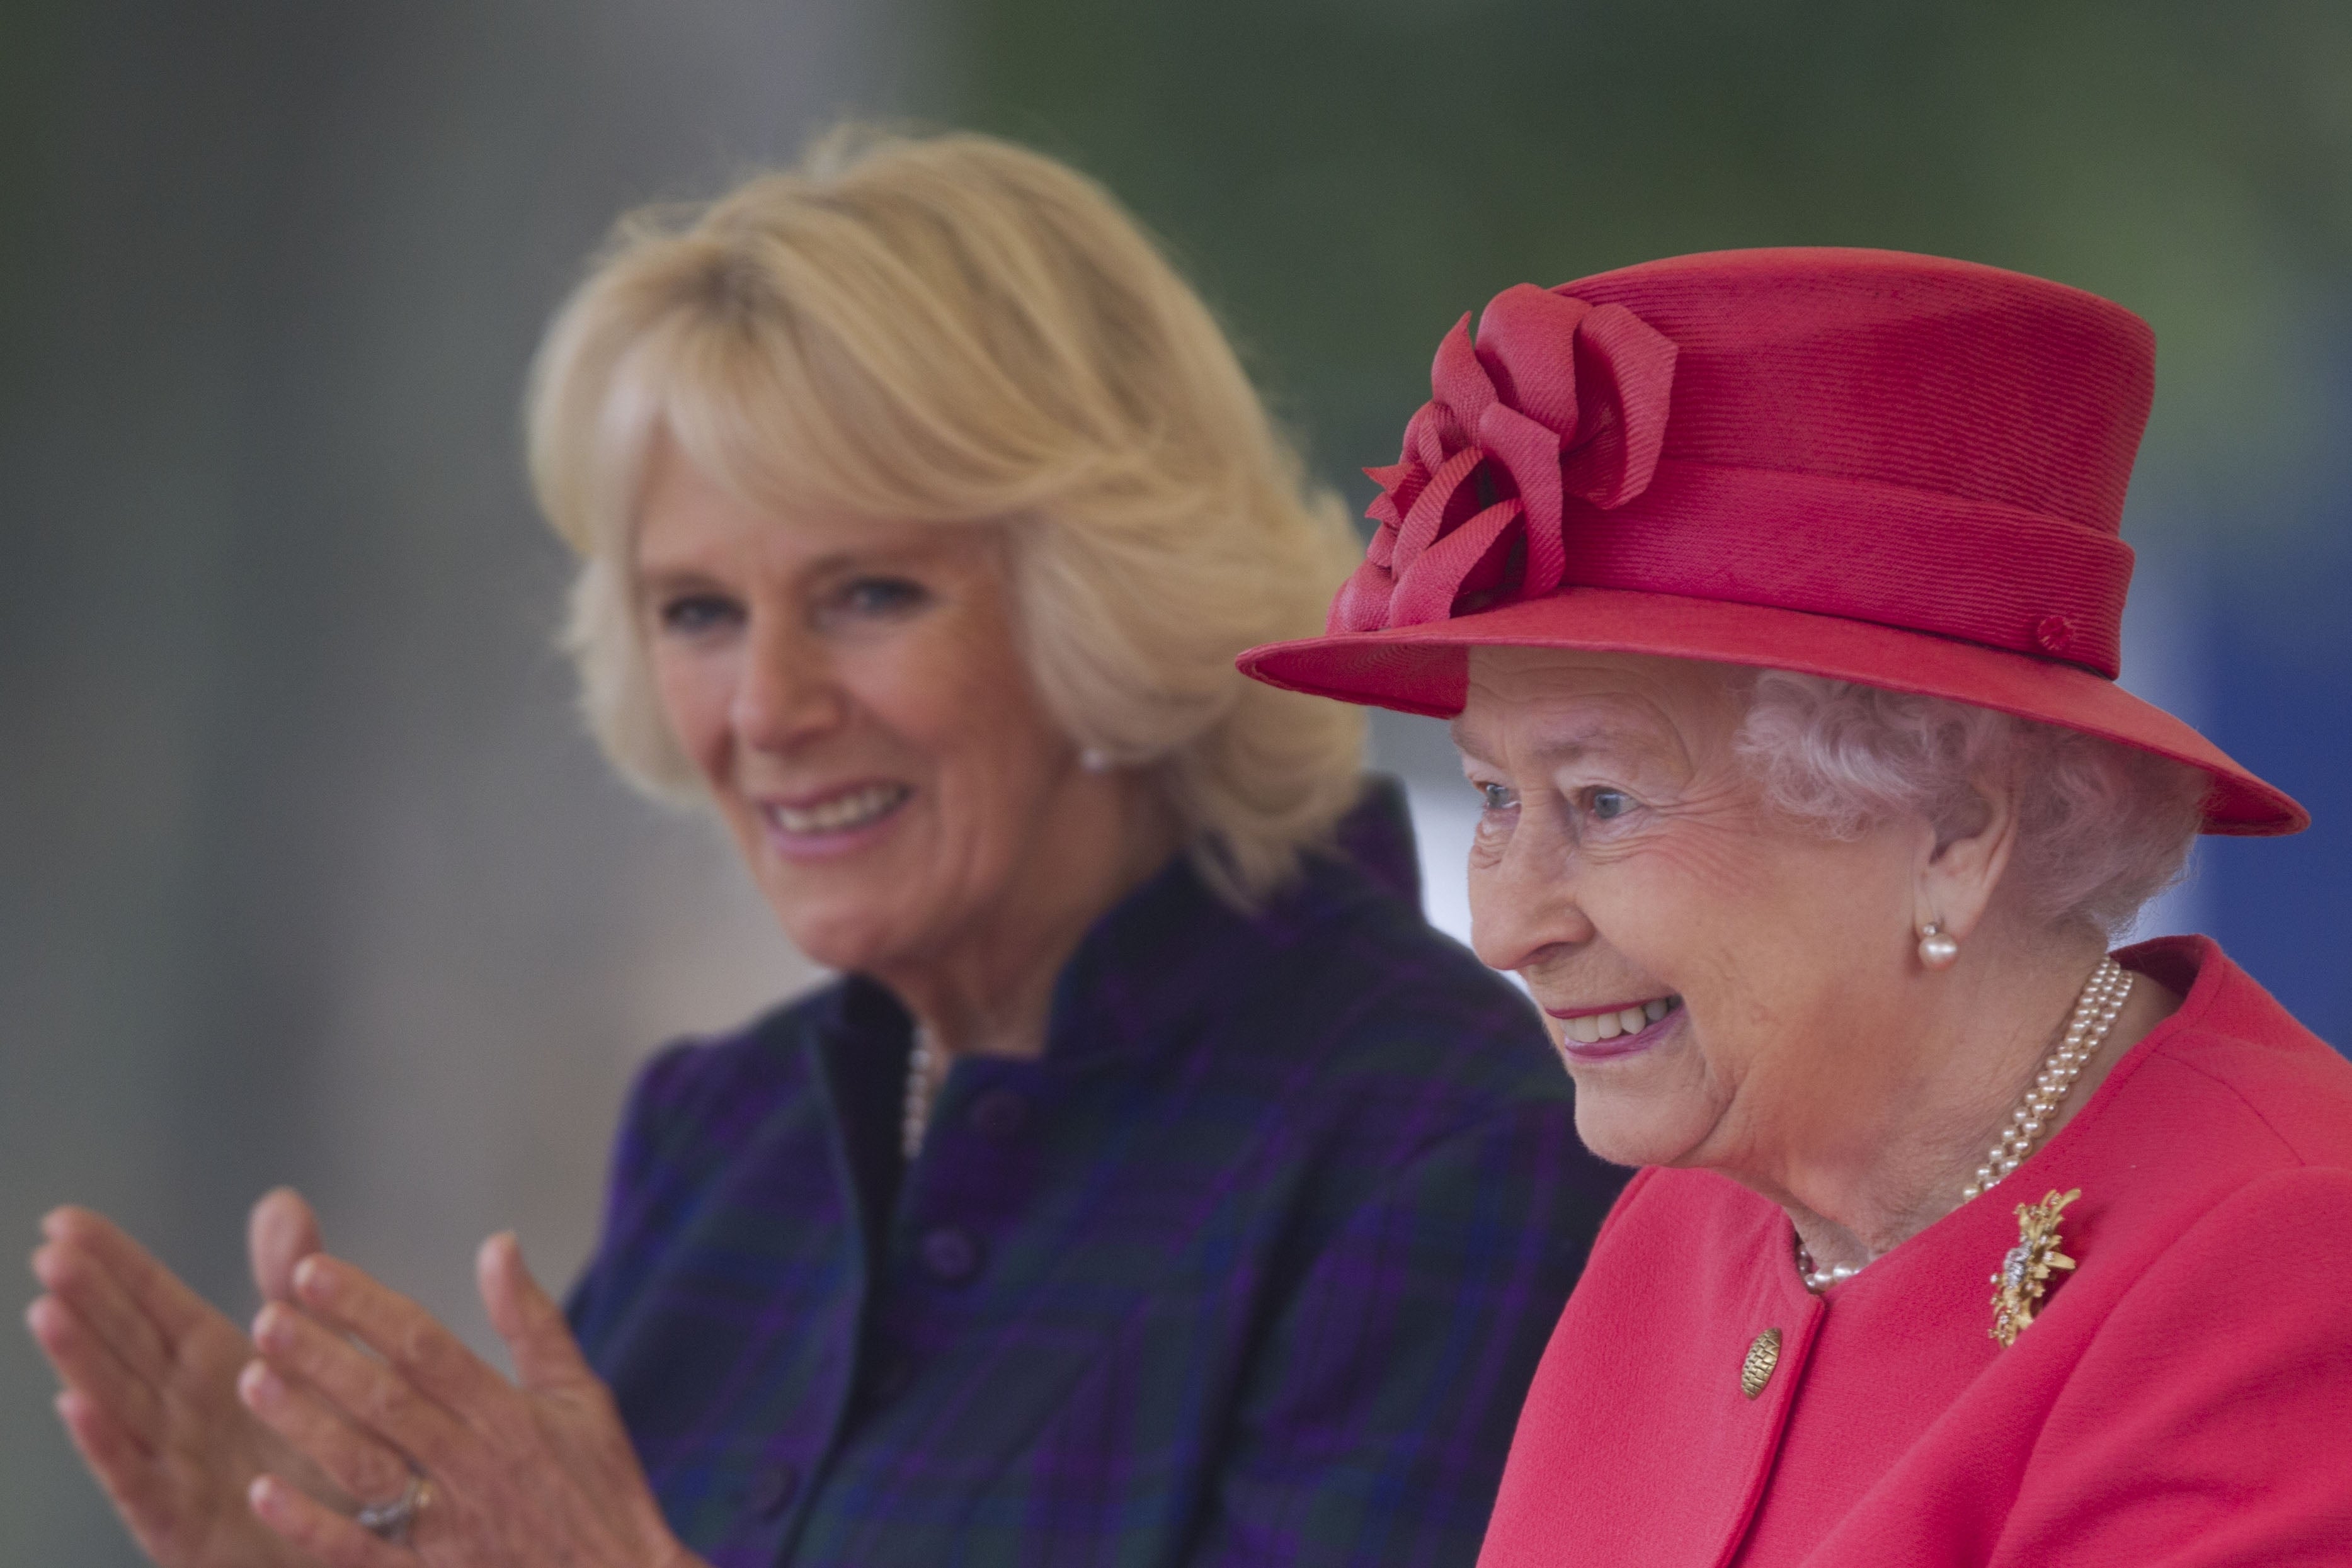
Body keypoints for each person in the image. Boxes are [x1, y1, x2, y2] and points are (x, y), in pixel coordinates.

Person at [28, 130, 1627, 1568]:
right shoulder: (722, 1132)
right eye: (697, 613)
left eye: (868, 594)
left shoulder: (1446, 1142)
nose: (768, 707)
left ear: (1109, 603)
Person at [1238, 248, 2352, 1565]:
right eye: (1491, 797)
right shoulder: (1693, 1218)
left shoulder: (2283, 1261)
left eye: (1600, 802)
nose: (1504, 929)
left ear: (1952, 829)